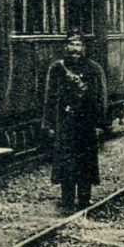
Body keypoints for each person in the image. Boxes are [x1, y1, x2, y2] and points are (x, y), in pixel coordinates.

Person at [43, 32, 107, 211]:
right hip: (65, 123)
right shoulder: (57, 69)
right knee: (66, 163)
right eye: (71, 44)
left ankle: (84, 200)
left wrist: (100, 123)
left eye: (78, 45)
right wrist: (48, 123)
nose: (74, 49)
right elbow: (50, 97)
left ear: (84, 48)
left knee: (86, 163)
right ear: (65, 47)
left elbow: (101, 97)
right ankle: (67, 201)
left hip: (86, 123)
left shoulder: (94, 68)